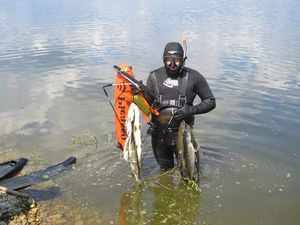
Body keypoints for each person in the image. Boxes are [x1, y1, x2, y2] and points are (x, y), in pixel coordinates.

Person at [145, 42, 216, 170]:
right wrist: (135, 96)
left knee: (188, 172)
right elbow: (145, 105)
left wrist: (191, 110)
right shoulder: (154, 76)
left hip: (184, 134)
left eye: (176, 60)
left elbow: (210, 101)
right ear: (163, 59)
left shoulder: (194, 77)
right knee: (165, 170)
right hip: (159, 135)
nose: (172, 64)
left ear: (182, 60)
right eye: (168, 61)